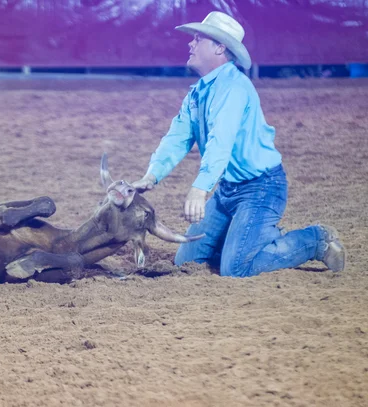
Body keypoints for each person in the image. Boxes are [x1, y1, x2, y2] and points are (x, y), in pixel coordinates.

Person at [132, 11, 345, 277]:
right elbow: (177, 137)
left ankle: (314, 239)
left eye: (198, 39)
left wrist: (200, 189)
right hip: (229, 191)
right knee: (186, 262)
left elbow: (221, 142)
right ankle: (242, 239)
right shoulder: (199, 91)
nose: (190, 43)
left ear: (220, 47)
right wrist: (152, 175)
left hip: (261, 188)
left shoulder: (234, 88)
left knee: (237, 269)